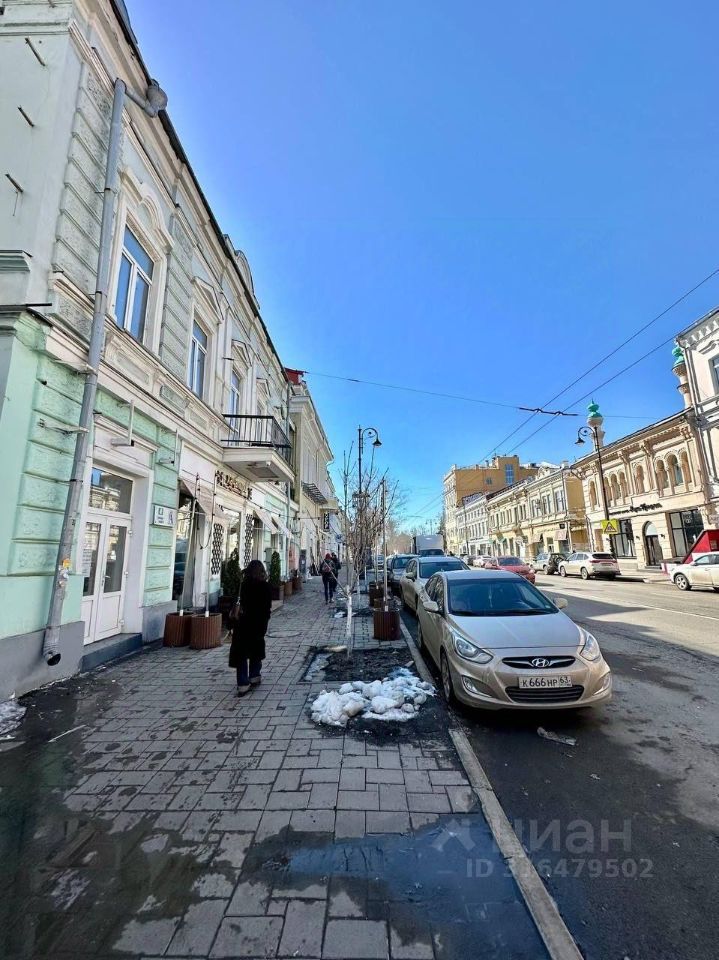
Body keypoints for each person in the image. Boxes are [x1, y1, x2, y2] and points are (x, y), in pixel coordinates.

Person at [229, 559, 272, 695]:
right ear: (262, 571)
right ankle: (254, 676)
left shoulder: (243, 585)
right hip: (257, 623)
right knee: (256, 649)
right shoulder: (265, 587)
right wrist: (264, 623)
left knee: (241, 653)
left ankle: (242, 683)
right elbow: (267, 608)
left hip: (242, 624)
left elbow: (234, 603)